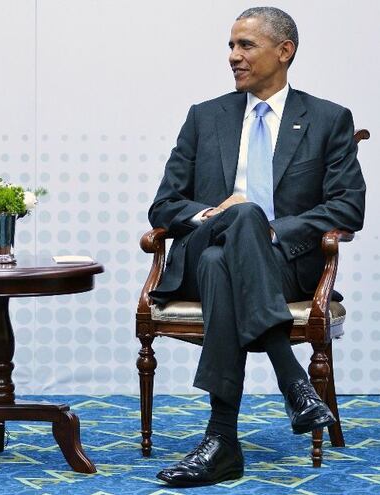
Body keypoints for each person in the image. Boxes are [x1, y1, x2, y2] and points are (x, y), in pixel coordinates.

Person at [147, 7, 365, 487]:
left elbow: (349, 210)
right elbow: (164, 206)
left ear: (284, 51)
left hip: (284, 263)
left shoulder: (328, 119)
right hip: (213, 240)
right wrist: (213, 215)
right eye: (230, 46)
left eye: (245, 45)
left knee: (219, 259)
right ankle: (295, 384)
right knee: (236, 219)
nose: (233, 57)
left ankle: (222, 440)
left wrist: (272, 230)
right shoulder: (205, 117)